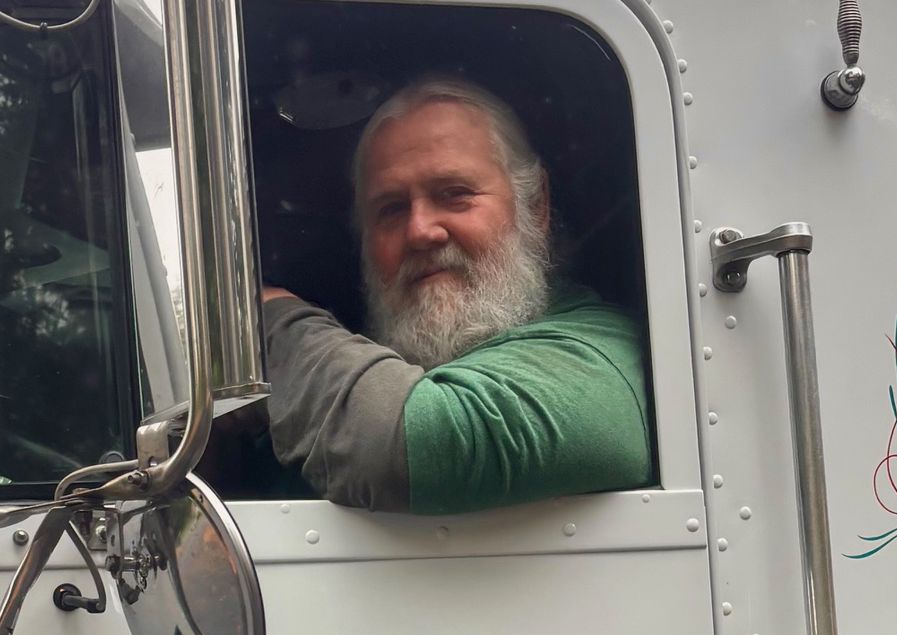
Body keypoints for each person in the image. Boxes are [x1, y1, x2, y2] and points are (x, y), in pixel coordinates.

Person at [260, 77, 651, 513]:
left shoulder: (604, 355)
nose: (420, 231)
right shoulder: (348, 379)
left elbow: (429, 441)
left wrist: (267, 317)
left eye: (455, 195)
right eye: (391, 209)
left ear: (536, 205)